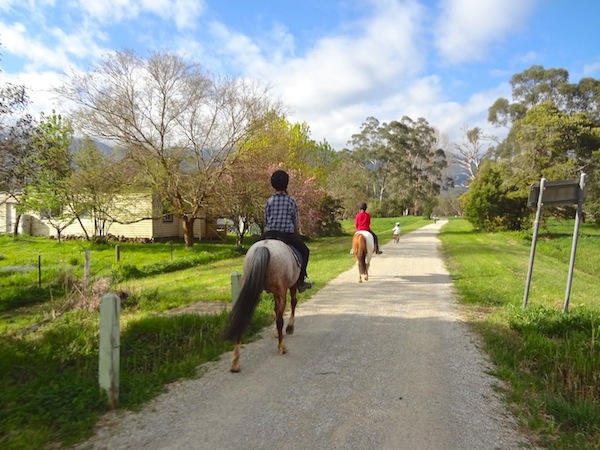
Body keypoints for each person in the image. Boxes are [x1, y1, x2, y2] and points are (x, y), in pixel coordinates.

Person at [261, 169, 314, 293]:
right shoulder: (290, 200)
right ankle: (301, 281)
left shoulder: (270, 201)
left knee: (253, 249)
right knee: (305, 251)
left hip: (270, 234)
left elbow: (266, 220)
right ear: (286, 183)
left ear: (272, 184)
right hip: (287, 235)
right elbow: (295, 221)